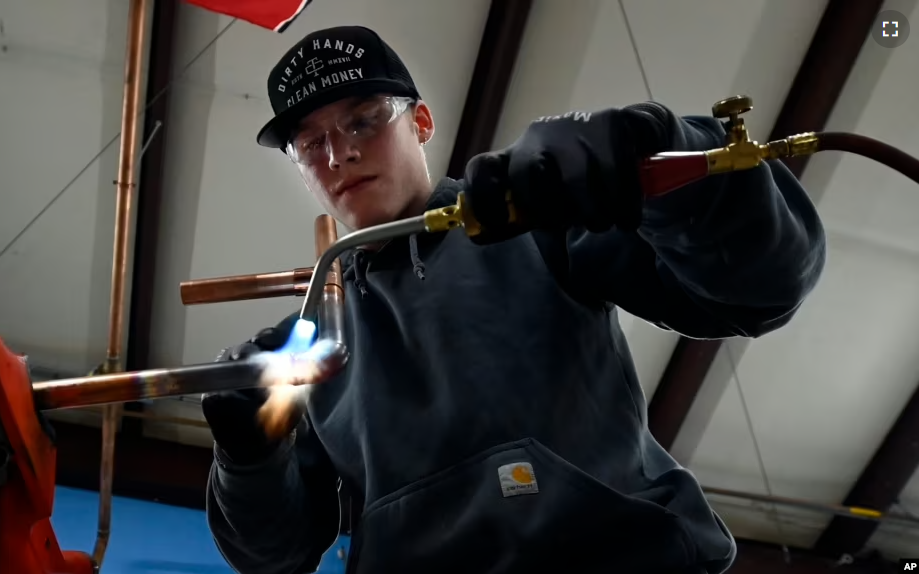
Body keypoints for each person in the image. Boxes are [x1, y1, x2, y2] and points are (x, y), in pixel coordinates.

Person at [201, 25, 826, 574]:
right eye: (311, 144)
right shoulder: (307, 345)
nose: (341, 153)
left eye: (364, 119)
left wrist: (659, 159)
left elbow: (759, 290)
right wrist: (247, 454)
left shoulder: (530, 220)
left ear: (420, 122)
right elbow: (274, 556)